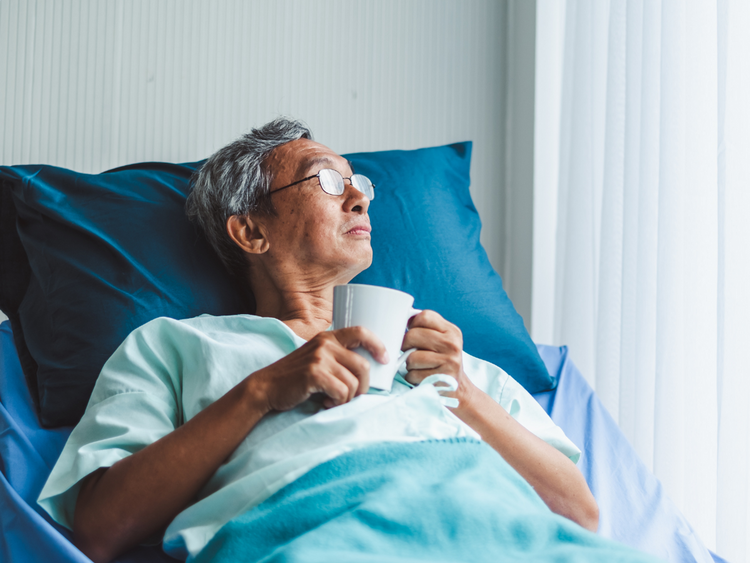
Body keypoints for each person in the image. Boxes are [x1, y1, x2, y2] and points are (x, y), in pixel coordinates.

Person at [39, 118, 660, 563]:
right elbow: (98, 529)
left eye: (358, 182)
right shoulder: (177, 348)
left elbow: (580, 514)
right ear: (251, 232)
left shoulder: (449, 358)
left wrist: (462, 393)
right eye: (328, 183)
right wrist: (260, 393)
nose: (360, 194)